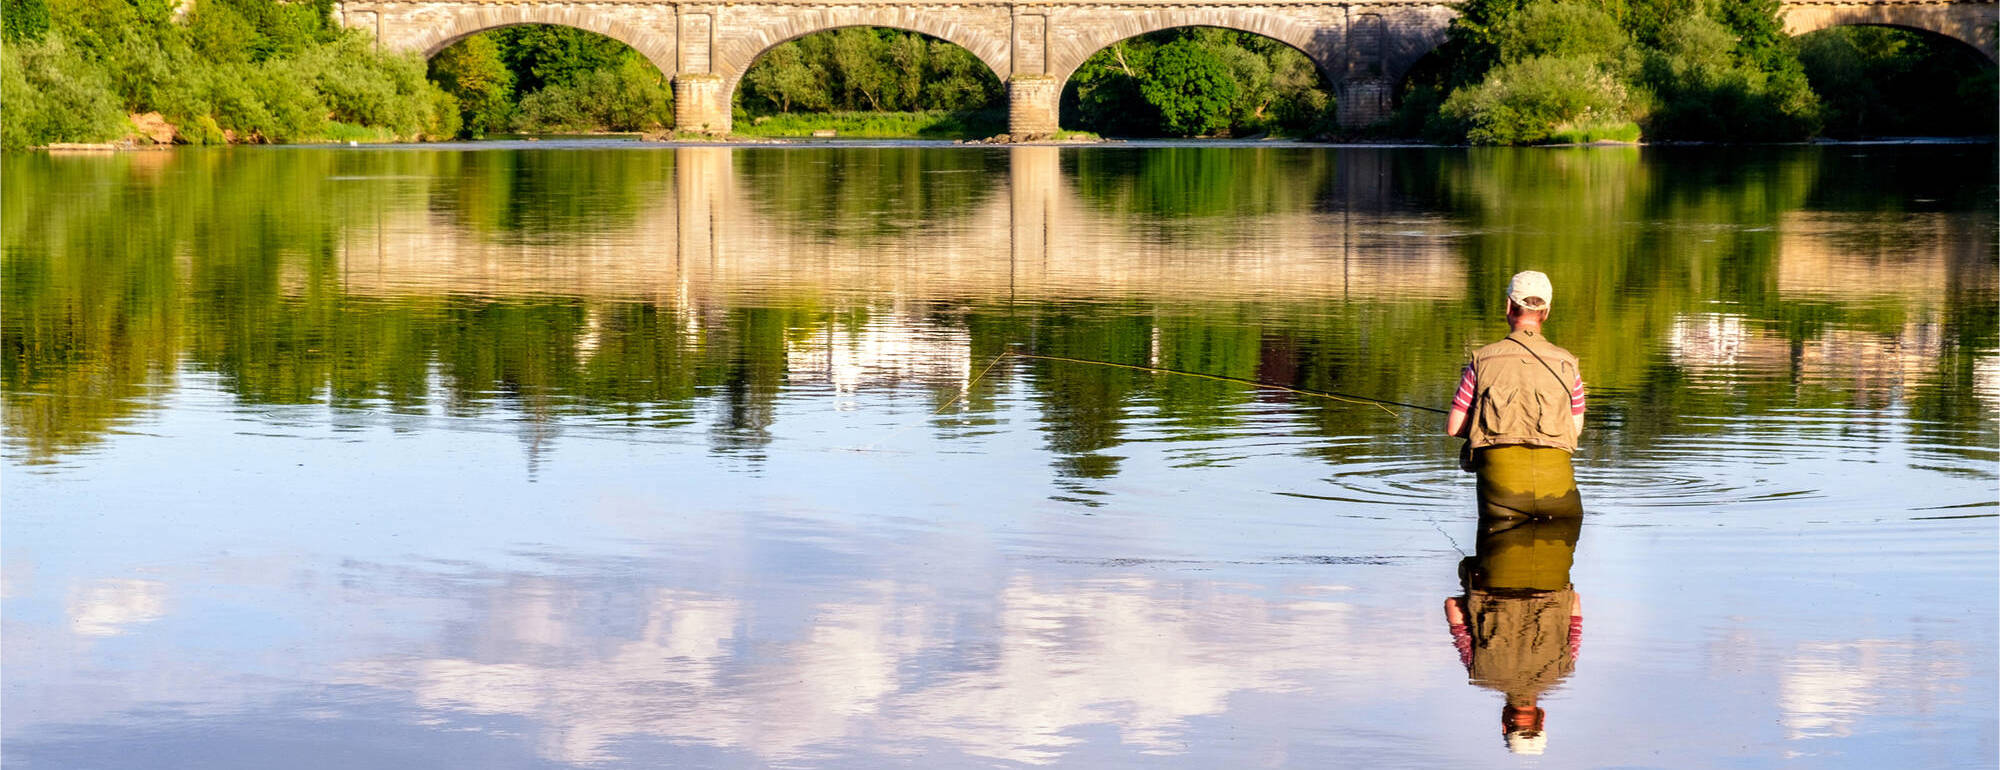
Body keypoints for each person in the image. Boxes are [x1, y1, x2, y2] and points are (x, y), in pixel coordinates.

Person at [1445, 270, 1585, 518]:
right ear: (1547, 311)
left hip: (1500, 498)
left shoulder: (1480, 362)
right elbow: (1573, 429)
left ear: (1508, 306)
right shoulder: (1569, 365)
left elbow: (1454, 427)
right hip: (1560, 500)